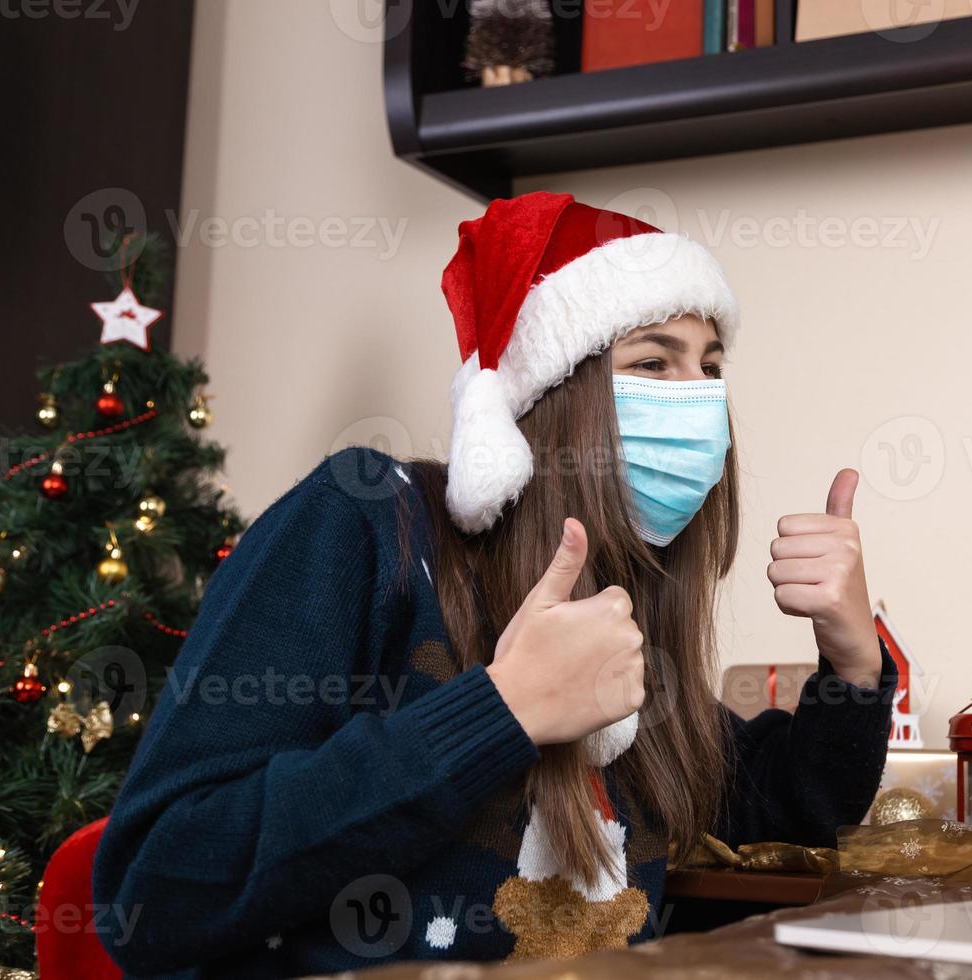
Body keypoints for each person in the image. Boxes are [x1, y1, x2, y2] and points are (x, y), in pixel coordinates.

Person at [93, 192, 895, 977]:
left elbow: (777, 809)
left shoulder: (615, 607)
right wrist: (501, 710)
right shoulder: (369, 521)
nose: (697, 399)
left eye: (710, 367)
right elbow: (156, 889)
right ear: (554, 393)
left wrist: (853, 664)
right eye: (653, 360)